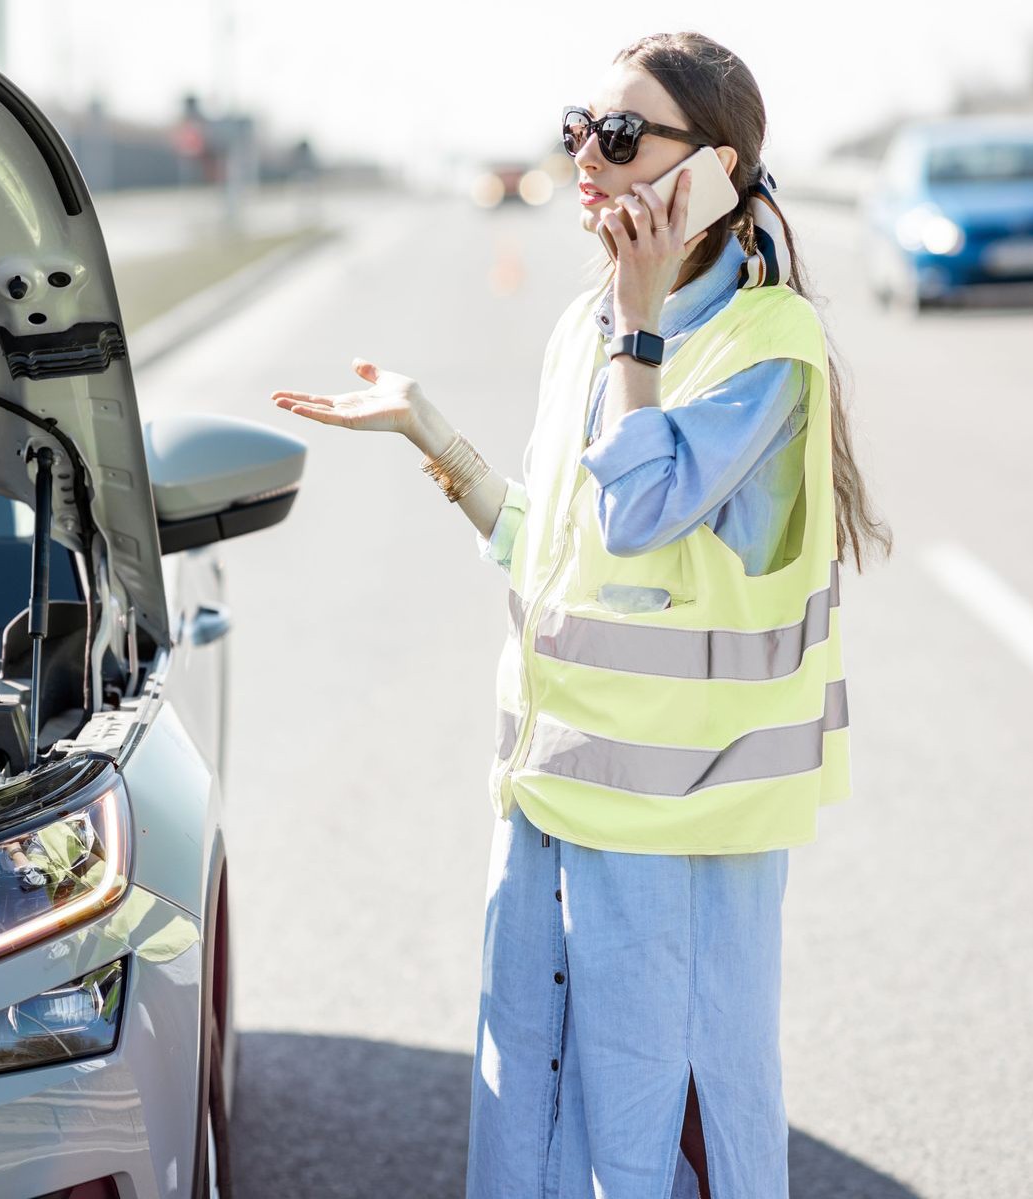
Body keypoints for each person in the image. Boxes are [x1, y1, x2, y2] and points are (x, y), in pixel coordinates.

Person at [269, 31, 889, 1199]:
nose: (587, 164)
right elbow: (559, 550)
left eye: (619, 137)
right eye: (578, 132)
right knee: (537, 1129)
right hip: (551, 811)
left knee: (666, 1143)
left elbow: (646, 508)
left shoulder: (765, 348)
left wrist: (643, 324)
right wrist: (432, 435)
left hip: (680, 840)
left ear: (709, 168)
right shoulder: (587, 329)